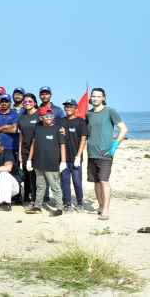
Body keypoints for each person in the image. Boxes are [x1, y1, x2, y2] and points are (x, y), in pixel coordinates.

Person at [85, 88, 127, 221]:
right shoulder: (88, 113)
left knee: (104, 181)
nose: (95, 98)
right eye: (93, 96)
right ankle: (101, 205)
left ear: (103, 98)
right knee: (96, 182)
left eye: (98, 96)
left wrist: (115, 145)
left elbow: (124, 129)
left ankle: (106, 210)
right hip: (91, 153)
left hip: (105, 153)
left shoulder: (110, 111)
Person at [25, 108, 66, 216]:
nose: (49, 118)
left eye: (51, 116)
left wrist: (63, 161)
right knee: (40, 186)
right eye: (46, 116)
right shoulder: (37, 128)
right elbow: (33, 144)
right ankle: (37, 206)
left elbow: (62, 145)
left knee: (55, 186)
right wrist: (29, 159)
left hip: (52, 164)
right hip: (38, 163)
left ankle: (59, 208)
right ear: (41, 118)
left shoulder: (58, 129)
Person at [59, 99, 87, 212]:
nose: (68, 108)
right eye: (66, 106)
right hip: (64, 159)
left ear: (76, 108)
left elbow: (84, 139)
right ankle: (67, 203)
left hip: (76, 158)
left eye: (70, 106)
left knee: (77, 182)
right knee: (65, 182)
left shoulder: (81, 122)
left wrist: (78, 156)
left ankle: (80, 202)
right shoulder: (61, 121)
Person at [16, 94, 40, 207]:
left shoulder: (40, 115)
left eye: (30, 101)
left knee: (35, 175)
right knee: (26, 174)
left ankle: (35, 199)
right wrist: (20, 152)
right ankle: (26, 198)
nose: (27, 103)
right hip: (25, 150)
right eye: (25, 102)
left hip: (38, 150)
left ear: (34, 102)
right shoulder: (21, 117)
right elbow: (21, 135)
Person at [0, 94, 21, 175]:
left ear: (10, 103)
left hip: (12, 148)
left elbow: (14, 130)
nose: (4, 103)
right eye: (2, 101)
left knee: (12, 172)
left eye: (6, 101)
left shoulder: (15, 114)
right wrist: (5, 127)